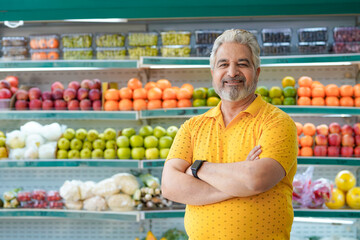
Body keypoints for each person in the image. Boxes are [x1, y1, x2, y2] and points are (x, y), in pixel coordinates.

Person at [161, 29, 298, 240]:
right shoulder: (192, 127)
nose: (232, 72)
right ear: (213, 73)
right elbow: (170, 186)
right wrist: (238, 182)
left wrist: (197, 168)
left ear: (257, 72)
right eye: (223, 64)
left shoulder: (277, 122)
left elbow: (256, 180)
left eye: (242, 64)